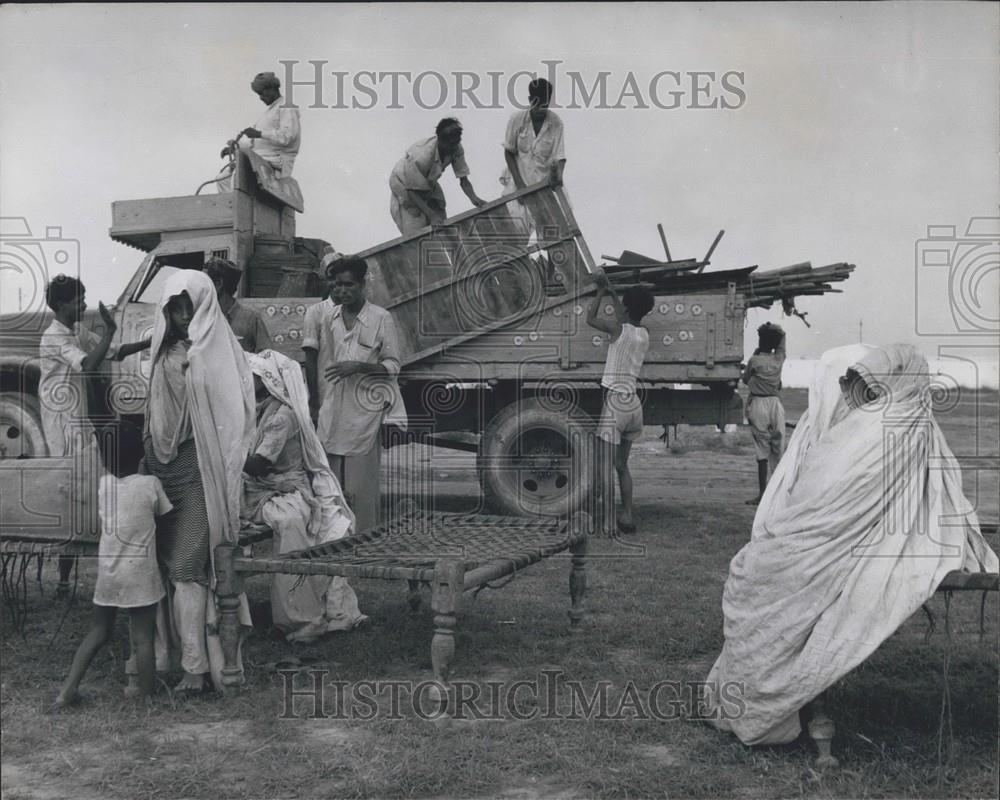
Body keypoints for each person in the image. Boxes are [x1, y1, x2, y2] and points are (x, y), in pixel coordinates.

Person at [703, 344, 999, 746]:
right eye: (855, 385)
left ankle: (767, 694)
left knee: (766, 581)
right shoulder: (870, 425)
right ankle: (764, 691)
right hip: (809, 539)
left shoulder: (899, 427)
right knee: (762, 578)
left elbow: (895, 499)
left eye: (868, 386)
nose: (857, 396)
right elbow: (819, 494)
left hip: (832, 544)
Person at [143, 270, 255, 693]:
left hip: (200, 472)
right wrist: (149, 458)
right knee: (167, 568)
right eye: (176, 307)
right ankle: (172, 659)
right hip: (161, 471)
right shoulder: (161, 354)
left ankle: (197, 670)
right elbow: (153, 416)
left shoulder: (218, 354)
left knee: (190, 567)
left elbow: (235, 419)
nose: (185, 315)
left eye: (191, 306)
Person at [242, 350, 368, 642]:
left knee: (291, 524)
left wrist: (224, 453)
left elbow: (259, 464)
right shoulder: (260, 408)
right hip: (264, 488)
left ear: (267, 380)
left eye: (253, 375)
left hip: (286, 489)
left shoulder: (282, 416)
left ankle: (302, 618)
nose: (246, 379)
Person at [39, 275, 150, 595]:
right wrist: (111, 330)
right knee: (72, 495)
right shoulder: (53, 337)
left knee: (92, 490)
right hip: (62, 422)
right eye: (78, 299)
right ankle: (63, 578)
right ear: (61, 304)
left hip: (81, 420)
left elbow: (113, 352)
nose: (84, 305)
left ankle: (102, 571)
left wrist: (150, 342)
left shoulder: (75, 331)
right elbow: (89, 364)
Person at [55, 421, 173, 707]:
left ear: (105, 460)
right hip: (139, 573)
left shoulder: (104, 486)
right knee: (143, 637)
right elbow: (166, 515)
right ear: (142, 456)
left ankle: (67, 691)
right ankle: (146, 698)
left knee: (98, 632)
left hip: (109, 573)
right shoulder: (151, 485)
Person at [302, 257, 405, 534]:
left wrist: (359, 366)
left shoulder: (381, 318)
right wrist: (315, 402)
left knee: (361, 490)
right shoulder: (329, 318)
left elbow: (393, 366)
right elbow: (320, 360)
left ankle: (363, 545)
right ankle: (334, 544)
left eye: (348, 284)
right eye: (336, 285)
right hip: (333, 410)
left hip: (364, 416)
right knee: (331, 487)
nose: (341, 290)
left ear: (362, 285)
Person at [586, 272, 655, 534]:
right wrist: (615, 292)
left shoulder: (617, 330)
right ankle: (627, 515)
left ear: (626, 308)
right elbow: (626, 317)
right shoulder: (643, 334)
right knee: (621, 465)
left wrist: (601, 292)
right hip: (633, 405)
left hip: (614, 404)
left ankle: (606, 522)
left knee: (604, 467)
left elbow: (590, 319)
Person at [389, 118, 487, 235]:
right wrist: (431, 216)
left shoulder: (456, 147)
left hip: (428, 182)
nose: (455, 147)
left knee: (441, 219)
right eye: (452, 144)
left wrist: (475, 199)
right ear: (441, 141)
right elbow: (411, 192)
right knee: (417, 228)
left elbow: (464, 180)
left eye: (457, 142)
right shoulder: (421, 155)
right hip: (403, 186)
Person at [499, 77, 567, 237]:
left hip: (544, 186)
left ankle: (553, 263)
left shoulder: (556, 123)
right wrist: (521, 186)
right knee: (516, 233)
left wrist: (558, 176)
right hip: (518, 186)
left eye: (545, 104)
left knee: (556, 234)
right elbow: (509, 151)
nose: (540, 109)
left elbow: (560, 157)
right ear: (530, 100)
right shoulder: (517, 120)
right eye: (537, 104)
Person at [221, 71, 301, 178]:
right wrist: (237, 147)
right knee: (222, 178)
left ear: (272, 89)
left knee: (239, 174)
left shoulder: (286, 107)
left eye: (261, 93)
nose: (260, 97)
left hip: (278, 159)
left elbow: (287, 137)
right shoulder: (270, 112)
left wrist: (259, 133)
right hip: (263, 156)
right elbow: (257, 144)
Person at [742, 322, 786, 505]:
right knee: (779, 448)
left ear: (761, 341)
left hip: (758, 403)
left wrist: (756, 353)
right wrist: (778, 331)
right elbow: (782, 340)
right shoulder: (779, 359)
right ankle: (779, 494)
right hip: (775, 404)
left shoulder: (755, 360)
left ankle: (762, 494)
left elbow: (745, 380)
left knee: (762, 449)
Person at [202, 257, 273, 353]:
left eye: (204, 282)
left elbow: (268, 358)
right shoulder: (202, 318)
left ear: (218, 284)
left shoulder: (251, 319)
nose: (200, 288)